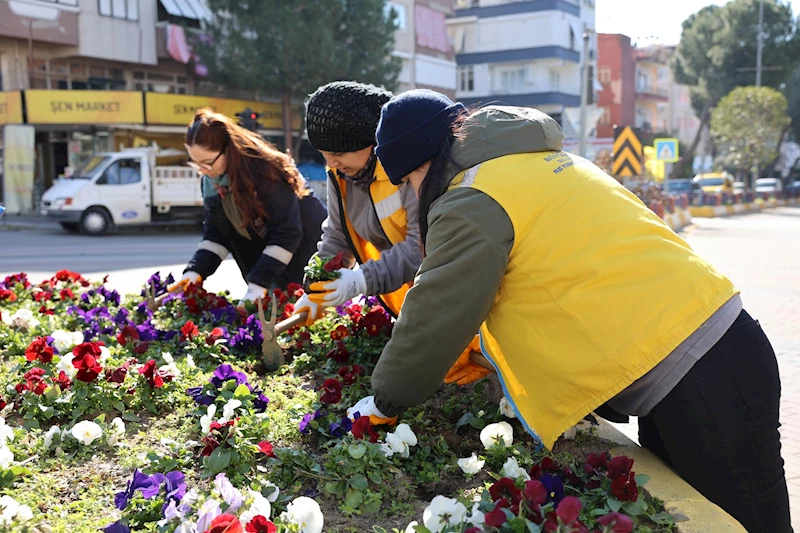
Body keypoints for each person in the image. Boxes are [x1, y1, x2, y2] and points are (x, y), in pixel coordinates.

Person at [347, 89, 790, 533]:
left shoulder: (471, 197)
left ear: (421, 163)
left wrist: (385, 401)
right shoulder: (533, 161)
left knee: (752, 523)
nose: (409, 192)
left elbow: (436, 310)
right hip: (710, 353)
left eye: (406, 181)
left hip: (698, 372)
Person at [170, 108, 327, 306]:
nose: (202, 171)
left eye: (207, 163)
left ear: (228, 150)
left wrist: (258, 284)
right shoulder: (212, 180)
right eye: (196, 164)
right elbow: (216, 234)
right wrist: (194, 272)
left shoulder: (264, 171)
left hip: (311, 252)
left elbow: (287, 233)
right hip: (275, 260)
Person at [291, 81, 421, 320]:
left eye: (338, 154)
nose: (331, 163)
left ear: (370, 141)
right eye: (324, 154)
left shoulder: (409, 170)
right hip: (408, 300)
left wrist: (361, 280)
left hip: (445, 291)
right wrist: (318, 285)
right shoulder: (341, 174)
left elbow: (423, 246)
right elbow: (339, 236)